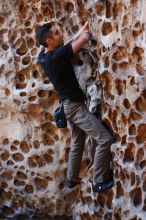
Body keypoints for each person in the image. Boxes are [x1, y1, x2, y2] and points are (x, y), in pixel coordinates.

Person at [36, 21, 114, 192]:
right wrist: (85, 32)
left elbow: (67, 44)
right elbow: (84, 38)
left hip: (67, 107)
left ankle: (72, 178)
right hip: (75, 108)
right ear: (49, 41)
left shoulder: (44, 56)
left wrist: (79, 31)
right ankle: (99, 181)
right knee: (104, 139)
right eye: (57, 33)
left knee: (78, 142)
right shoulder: (57, 57)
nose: (61, 34)